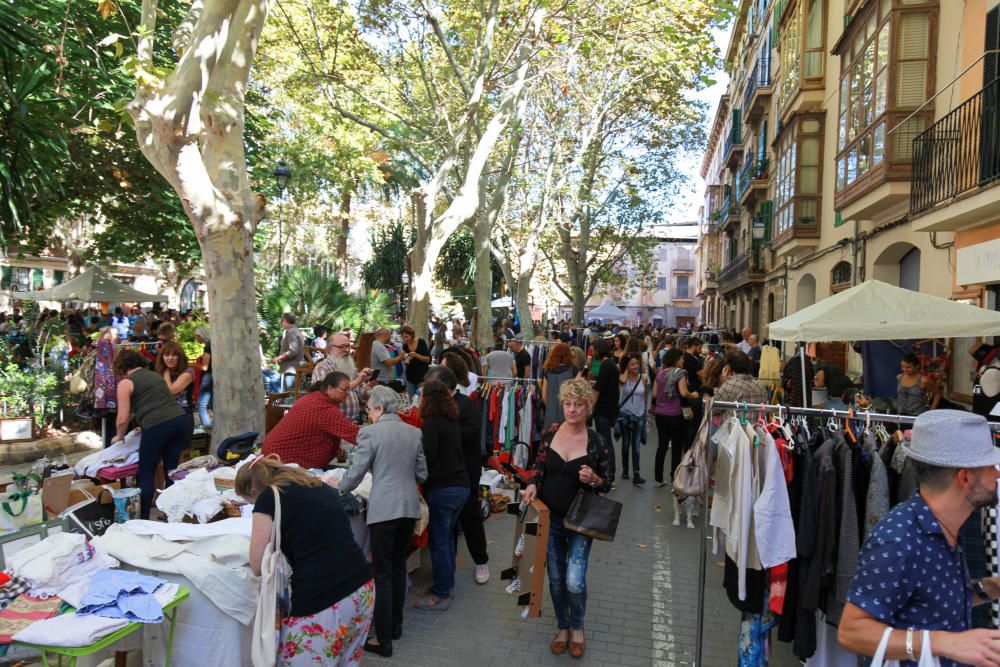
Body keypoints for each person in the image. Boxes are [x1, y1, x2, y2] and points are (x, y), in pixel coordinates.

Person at [838, 410, 1000, 666]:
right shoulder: (899, 539)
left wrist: (989, 588)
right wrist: (943, 642)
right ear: (965, 477)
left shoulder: (944, 526)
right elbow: (852, 632)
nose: (997, 474)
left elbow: (931, 601)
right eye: (991, 466)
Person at [237, 455, 374, 666]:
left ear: (253, 491)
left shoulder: (268, 497)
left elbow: (256, 564)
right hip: (362, 587)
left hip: (324, 597)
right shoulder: (317, 485)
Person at [333, 386, 426, 657]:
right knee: (398, 568)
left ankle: (383, 639)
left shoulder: (370, 433)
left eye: (370, 410)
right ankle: (395, 626)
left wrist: (338, 488)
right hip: (408, 507)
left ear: (379, 408)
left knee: (383, 573)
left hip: (384, 509)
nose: (369, 415)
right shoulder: (413, 432)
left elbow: (355, 473)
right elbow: (422, 473)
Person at [522, 377, 611, 659]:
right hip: (550, 519)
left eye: (578, 405)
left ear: (588, 407)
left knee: (574, 580)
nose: (572, 410)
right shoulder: (550, 432)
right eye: (568, 404)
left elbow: (607, 482)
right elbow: (538, 464)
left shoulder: (597, 442)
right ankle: (562, 627)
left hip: (581, 521)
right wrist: (533, 482)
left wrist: (594, 478)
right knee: (557, 578)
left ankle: (577, 626)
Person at [425, 366, 490, 585]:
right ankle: (447, 565)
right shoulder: (435, 407)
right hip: (445, 473)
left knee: (470, 518)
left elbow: (473, 434)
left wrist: (446, 431)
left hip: (466, 470)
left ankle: (481, 561)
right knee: (448, 526)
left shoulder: (467, 404)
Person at [112, 349, 192, 518]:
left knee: (146, 472)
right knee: (171, 470)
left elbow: (122, 418)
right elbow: (157, 402)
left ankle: (144, 517)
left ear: (121, 367)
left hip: (156, 426)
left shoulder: (125, 384)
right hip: (178, 420)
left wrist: (119, 436)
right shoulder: (155, 375)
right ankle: (172, 514)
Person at [413, 380, 469, 611]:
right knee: (445, 540)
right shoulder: (450, 421)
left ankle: (441, 593)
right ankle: (445, 584)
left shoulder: (431, 424)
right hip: (459, 487)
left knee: (439, 542)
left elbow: (428, 459)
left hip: (443, 490)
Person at [262, 373, 360, 469]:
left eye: (349, 390)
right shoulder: (324, 407)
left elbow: (311, 430)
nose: (347, 394)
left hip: (274, 454)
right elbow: (357, 435)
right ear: (330, 388)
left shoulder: (314, 398)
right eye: (344, 390)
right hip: (281, 461)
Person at [650, 348, 700, 525]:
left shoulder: (660, 374)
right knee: (677, 446)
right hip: (676, 414)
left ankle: (658, 477)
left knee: (662, 445)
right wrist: (695, 394)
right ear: (677, 359)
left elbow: (655, 394)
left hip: (661, 415)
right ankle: (674, 477)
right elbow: (684, 392)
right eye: (682, 359)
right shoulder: (680, 374)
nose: (683, 362)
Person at [312, 332, 373, 423]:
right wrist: (357, 381)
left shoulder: (350, 367)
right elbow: (328, 395)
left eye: (348, 346)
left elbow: (361, 395)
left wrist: (369, 388)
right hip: (333, 422)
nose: (347, 350)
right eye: (342, 347)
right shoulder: (323, 367)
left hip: (354, 421)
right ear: (329, 350)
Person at [591, 338, 621, 484]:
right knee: (605, 440)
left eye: (594, 350)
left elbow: (598, 389)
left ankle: (610, 473)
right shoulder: (612, 365)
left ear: (598, 350)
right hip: (609, 409)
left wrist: (590, 407)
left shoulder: (606, 366)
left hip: (603, 410)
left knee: (605, 442)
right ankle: (610, 472)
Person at [617, 353, 648, 485]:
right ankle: (625, 469)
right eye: (632, 364)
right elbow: (622, 381)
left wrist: (646, 412)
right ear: (627, 366)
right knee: (625, 444)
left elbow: (645, 395)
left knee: (636, 446)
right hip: (624, 415)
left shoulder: (644, 378)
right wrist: (625, 370)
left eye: (637, 364)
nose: (636, 366)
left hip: (639, 414)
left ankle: (636, 473)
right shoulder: (622, 378)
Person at [540, 342, 578, 432]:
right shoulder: (573, 370)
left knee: (551, 440)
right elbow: (578, 394)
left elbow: (544, 396)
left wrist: (551, 407)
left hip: (551, 414)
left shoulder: (548, 371)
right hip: (569, 413)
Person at [156, 341, 196, 419]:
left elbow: (171, 391)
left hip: (182, 415)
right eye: (166, 355)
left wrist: (166, 373)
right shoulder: (160, 372)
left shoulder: (188, 371)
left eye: (174, 355)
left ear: (180, 357)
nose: (170, 358)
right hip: (165, 415)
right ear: (162, 357)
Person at [898, 351, 940, 416]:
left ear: (917, 366)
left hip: (918, 416)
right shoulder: (899, 377)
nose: (905, 369)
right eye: (903, 367)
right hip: (901, 415)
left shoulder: (923, 380)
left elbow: (938, 393)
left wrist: (932, 412)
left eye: (908, 367)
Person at [271, 313, 304, 390]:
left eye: (282, 321)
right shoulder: (296, 331)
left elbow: (293, 350)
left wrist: (278, 358)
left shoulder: (292, 332)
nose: (281, 324)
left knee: (290, 396)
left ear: (285, 321)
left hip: (291, 369)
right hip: (292, 369)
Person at [399, 325, 430, 396]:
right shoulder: (405, 346)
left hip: (422, 377)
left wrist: (416, 355)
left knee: (421, 399)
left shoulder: (421, 342)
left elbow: (427, 359)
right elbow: (406, 362)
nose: (405, 339)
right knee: (410, 399)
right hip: (410, 377)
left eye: (407, 336)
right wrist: (404, 359)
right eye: (403, 337)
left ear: (412, 335)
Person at [193, 327, 212, 430]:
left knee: (201, 406)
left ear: (200, 336)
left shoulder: (208, 347)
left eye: (196, 337)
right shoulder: (212, 345)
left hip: (208, 377)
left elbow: (204, 367)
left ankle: (207, 427)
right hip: (213, 376)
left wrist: (189, 365)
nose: (196, 339)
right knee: (213, 404)